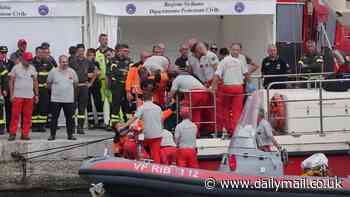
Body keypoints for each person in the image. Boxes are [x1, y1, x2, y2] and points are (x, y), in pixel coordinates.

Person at [120, 82, 163, 164]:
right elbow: (161, 121)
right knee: (156, 155)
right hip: (158, 135)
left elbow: (133, 119)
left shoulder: (142, 108)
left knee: (139, 143)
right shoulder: (158, 108)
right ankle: (157, 170)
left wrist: (123, 126)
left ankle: (142, 162)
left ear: (143, 99)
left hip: (147, 136)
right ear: (152, 98)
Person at [212, 44, 248, 136]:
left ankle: (229, 129)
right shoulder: (241, 61)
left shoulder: (224, 61)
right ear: (230, 50)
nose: (236, 51)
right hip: (239, 88)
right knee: (237, 111)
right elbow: (246, 75)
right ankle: (235, 131)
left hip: (227, 88)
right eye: (234, 50)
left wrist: (213, 86)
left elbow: (217, 74)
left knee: (225, 110)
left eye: (237, 50)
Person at [8, 52, 39, 141]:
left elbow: (35, 82)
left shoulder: (32, 68)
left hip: (29, 96)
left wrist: (36, 95)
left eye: (30, 60)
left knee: (27, 116)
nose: (29, 62)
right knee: (15, 116)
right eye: (27, 60)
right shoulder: (16, 68)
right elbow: (11, 81)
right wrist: (11, 94)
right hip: (18, 96)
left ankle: (25, 134)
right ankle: (12, 133)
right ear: (23, 59)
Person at [47, 55, 78, 140]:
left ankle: (70, 135)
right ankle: (52, 135)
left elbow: (75, 84)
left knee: (70, 119)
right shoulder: (53, 71)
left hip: (68, 99)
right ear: (59, 62)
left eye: (66, 62)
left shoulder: (72, 71)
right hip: (56, 99)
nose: (65, 63)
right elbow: (48, 84)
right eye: (63, 62)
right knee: (54, 118)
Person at [70, 44, 95, 134]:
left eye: (82, 51)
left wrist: (91, 82)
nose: (81, 53)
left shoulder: (88, 62)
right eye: (79, 51)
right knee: (72, 107)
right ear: (77, 51)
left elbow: (95, 72)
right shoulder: (72, 61)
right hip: (74, 87)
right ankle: (72, 126)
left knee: (82, 108)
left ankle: (80, 127)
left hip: (84, 87)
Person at [107, 44, 133, 126]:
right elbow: (110, 74)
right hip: (116, 86)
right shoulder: (112, 61)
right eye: (125, 51)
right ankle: (113, 124)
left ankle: (128, 123)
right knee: (115, 105)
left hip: (127, 86)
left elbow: (132, 74)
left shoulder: (130, 61)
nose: (126, 53)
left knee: (127, 105)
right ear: (119, 51)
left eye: (128, 51)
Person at [31, 46, 55, 132]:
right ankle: (34, 125)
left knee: (43, 107)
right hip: (33, 89)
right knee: (34, 107)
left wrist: (50, 85)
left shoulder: (48, 63)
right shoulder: (31, 63)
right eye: (39, 52)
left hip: (44, 89)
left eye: (42, 52)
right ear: (36, 53)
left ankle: (41, 125)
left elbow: (53, 74)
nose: (40, 54)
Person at [96, 33, 113, 116]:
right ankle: (102, 120)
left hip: (110, 81)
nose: (105, 41)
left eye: (106, 39)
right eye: (103, 39)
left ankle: (111, 121)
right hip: (100, 81)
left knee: (111, 101)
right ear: (99, 40)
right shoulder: (96, 52)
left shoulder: (112, 51)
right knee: (100, 101)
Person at [86, 48, 104, 129]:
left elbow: (98, 73)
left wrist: (92, 76)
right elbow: (84, 74)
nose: (92, 57)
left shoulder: (96, 63)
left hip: (96, 85)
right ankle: (91, 122)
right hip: (87, 86)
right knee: (88, 103)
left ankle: (101, 121)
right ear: (87, 55)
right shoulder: (84, 63)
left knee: (98, 102)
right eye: (90, 55)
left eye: (93, 55)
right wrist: (91, 74)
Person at [0, 46, 9, 135]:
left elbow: (5, 78)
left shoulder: (2, 65)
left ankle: (1, 128)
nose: (3, 54)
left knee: (0, 110)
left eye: (5, 53)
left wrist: (5, 89)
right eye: (2, 53)